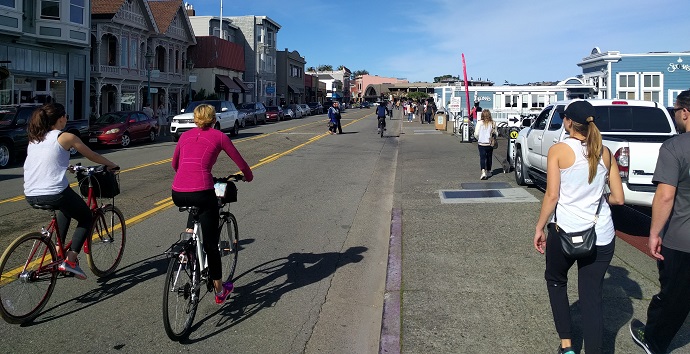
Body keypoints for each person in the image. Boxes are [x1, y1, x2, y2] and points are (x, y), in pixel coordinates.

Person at [533, 100, 624, 354]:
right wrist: (598, 198)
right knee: (591, 297)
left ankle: (567, 346)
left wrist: (540, 227)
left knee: (556, 280)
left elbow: (552, 196)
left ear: (569, 122)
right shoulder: (604, 152)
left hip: (565, 233)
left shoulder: (559, 151)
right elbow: (618, 198)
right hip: (601, 235)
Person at [24, 103, 119, 280]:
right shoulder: (66, 137)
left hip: (30, 193)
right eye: (65, 116)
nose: (66, 119)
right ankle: (71, 260)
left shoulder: (35, 138)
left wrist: (66, 166)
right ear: (60, 119)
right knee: (86, 217)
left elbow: (45, 160)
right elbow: (91, 155)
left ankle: (58, 252)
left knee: (65, 208)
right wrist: (111, 164)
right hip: (54, 192)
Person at [171, 103, 253, 304]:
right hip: (202, 190)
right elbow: (240, 162)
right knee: (210, 244)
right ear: (214, 119)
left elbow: (175, 164)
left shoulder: (184, 136)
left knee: (195, 205)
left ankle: (186, 248)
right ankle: (219, 290)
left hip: (178, 191)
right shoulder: (220, 136)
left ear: (195, 119)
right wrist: (248, 176)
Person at [629, 89, 690, 354]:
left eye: (675, 110)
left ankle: (653, 339)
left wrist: (654, 233)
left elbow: (665, 197)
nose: (675, 115)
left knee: (674, 296)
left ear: (685, 112)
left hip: (682, 238)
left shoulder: (675, 147)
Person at [473, 109, 498, 180]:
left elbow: (476, 133)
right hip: (490, 144)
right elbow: (496, 133)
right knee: (489, 157)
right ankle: (489, 170)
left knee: (482, 158)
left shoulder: (479, 123)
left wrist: (478, 138)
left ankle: (483, 171)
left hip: (481, 143)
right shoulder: (493, 123)